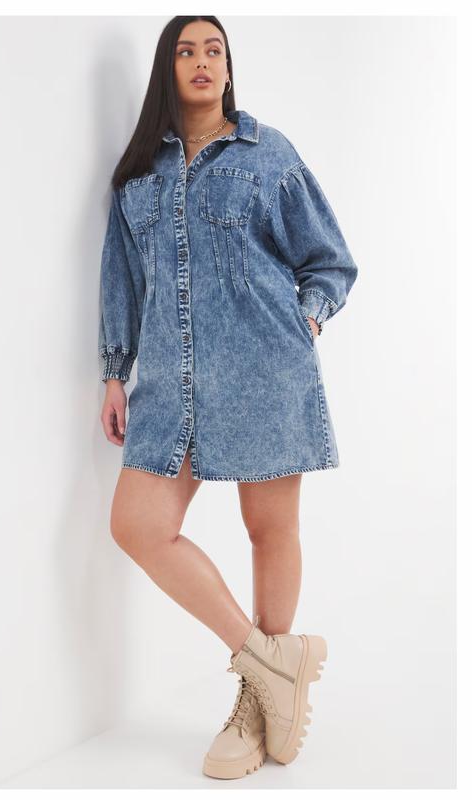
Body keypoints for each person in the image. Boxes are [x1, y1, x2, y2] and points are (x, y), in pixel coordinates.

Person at [97, 15, 358, 780]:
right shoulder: (136, 175)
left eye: (215, 50)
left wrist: (307, 318)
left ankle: (255, 699)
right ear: (167, 70)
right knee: (138, 525)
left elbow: (331, 261)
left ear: (230, 68)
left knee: (268, 529)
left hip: (263, 369)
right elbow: (122, 279)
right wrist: (114, 371)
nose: (203, 61)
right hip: (168, 383)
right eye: (186, 51)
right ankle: (271, 664)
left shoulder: (267, 154)